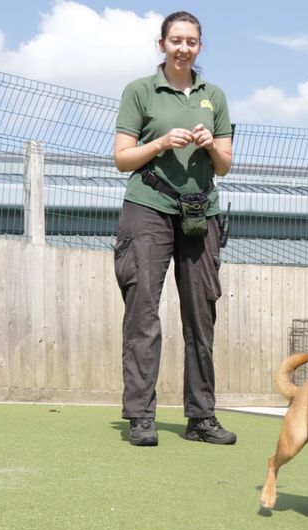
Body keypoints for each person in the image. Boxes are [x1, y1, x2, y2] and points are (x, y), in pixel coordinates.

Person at [112, 11, 236, 446]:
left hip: (200, 212)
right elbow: (122, 158)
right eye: (176, 40)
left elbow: (225, 163)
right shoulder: (140, 91)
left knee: (201, 316)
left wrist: (209, 145)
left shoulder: (213, 95)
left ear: (200, 47)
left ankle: (201, 418)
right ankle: (141, 417)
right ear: (161, 44)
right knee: (143, 314)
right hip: (147, 206)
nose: (183, 48)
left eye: (191, 42)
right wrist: (162, 143)